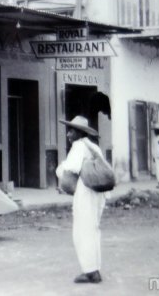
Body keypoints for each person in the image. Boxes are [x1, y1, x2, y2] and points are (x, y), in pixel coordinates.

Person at [55, 116, 107, 284]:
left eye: (71, 131)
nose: (68, 135)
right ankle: (95, 268)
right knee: (93, 229)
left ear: (78, 133)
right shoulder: (93, 147)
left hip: (86, 191)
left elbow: (69, 170)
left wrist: (60, 170)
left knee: (82, 231)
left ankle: (90, 271)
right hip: (98, 192)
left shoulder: (78, 147)